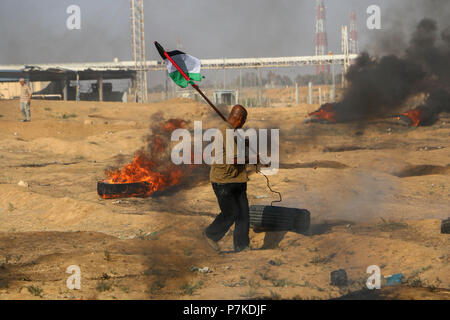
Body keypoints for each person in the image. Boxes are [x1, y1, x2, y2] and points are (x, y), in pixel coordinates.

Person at [204, 105, 255, 253]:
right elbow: (234, 159)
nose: (244, 123)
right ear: (239, 119)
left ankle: (242, 246)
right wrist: (252, 158)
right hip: (224, 181)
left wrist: (242, 143)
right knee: (231, 213)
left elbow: (229, 150)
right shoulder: (226, 131)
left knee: (243, 214)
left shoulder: (231, 131)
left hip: (237, 179)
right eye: (244, 120)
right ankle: (210, 235)